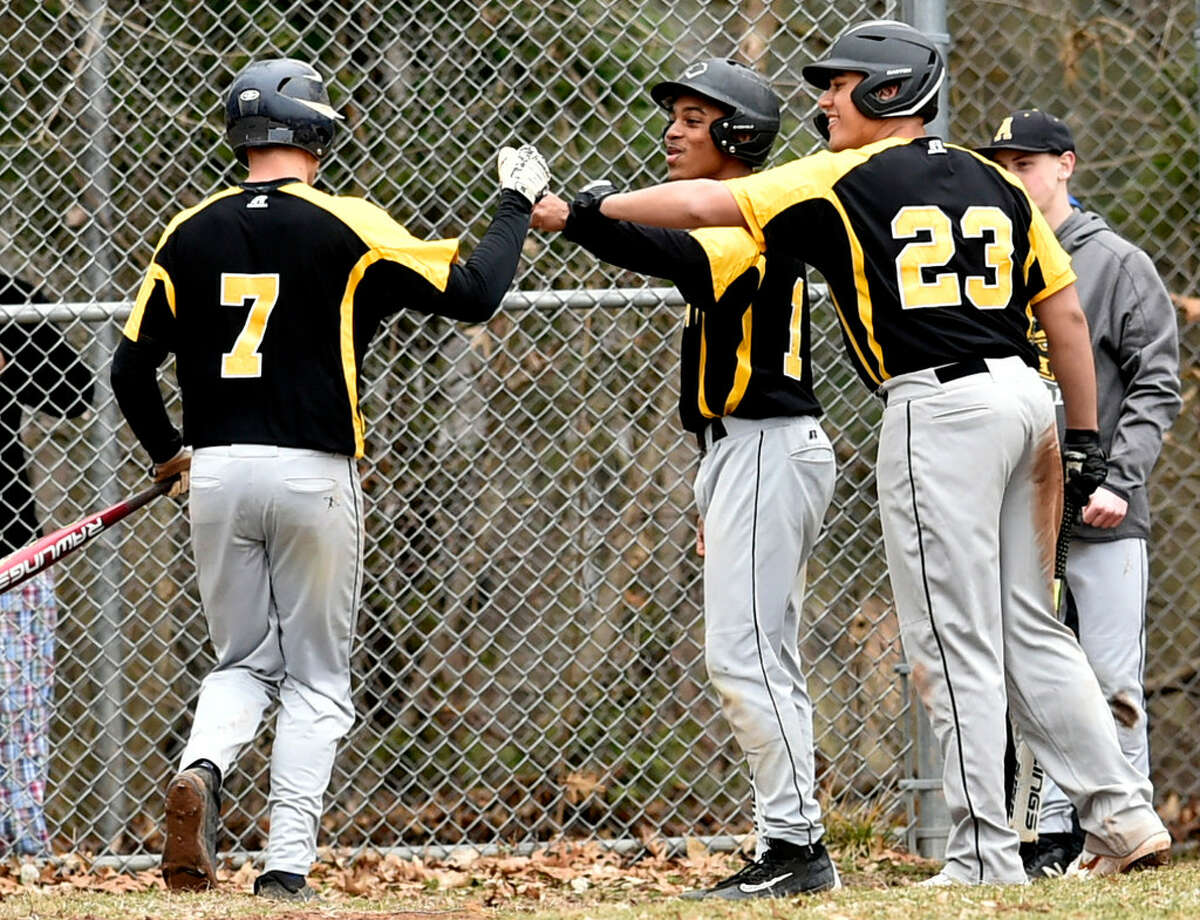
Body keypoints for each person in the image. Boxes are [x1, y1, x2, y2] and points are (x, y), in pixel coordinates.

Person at [589, 19, 1172, 885]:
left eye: (841, 83)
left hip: (938, 406)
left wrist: (598, 206)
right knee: (1029, 625)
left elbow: (705, 205)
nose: (825, 100)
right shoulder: (995, 179)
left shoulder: (844, 175)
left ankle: (982, 855)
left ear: (890, 90)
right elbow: (1068, 319)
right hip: (1026, 399)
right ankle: (1122, 813)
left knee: (949, 634)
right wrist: (1083, 441)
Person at [109, 58, 549, 900]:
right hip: (314, 469)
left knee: (241, 660)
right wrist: (515, 201)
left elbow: (131, 372)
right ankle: (284, 871)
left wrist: (170, 456)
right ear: (316, 134)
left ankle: (202, 765)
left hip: (220, 472)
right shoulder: (347, 223)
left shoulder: (188, 228)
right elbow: (477, 293)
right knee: (318, 677)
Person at [532, 59, 839, 898]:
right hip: (742, 450)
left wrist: (578, 215)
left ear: (738, 137)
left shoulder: (746, 224)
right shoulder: (733, 224)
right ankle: (792, 840)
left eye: (697, 119)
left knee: (744, 654)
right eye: (677, 116)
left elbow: (660, 248)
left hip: (769, 445)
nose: (675, 130)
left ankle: (796, 848)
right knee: (760, 651)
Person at [977, 109, 1182, 878]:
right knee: (1030, 670)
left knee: (1110, 674)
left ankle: (1127, 829)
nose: (1014, 176)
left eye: (1026, 163)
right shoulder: (991, 262)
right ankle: (1056, 833)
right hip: (1021, 506)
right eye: (1001, 165)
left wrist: (1121, 481)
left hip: (1103, 510)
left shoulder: (1116, 263)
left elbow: (1158, 384)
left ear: (1066, 165)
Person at [0, 274, 94, 857]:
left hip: (9, 538)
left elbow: (76, 392)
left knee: (19, 710)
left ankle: (22, 840)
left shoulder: (9, 294)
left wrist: (16, 355)